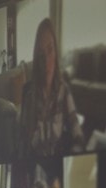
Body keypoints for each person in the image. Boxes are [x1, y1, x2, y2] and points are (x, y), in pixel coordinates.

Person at [17, 17, 85, 159]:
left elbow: (78, 136)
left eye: (50, 50)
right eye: (41, 54)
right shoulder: (28, 94)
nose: (46, 60)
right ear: (36, 57)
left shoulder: (63, 91)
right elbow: (22, 144)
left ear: (56, 52)